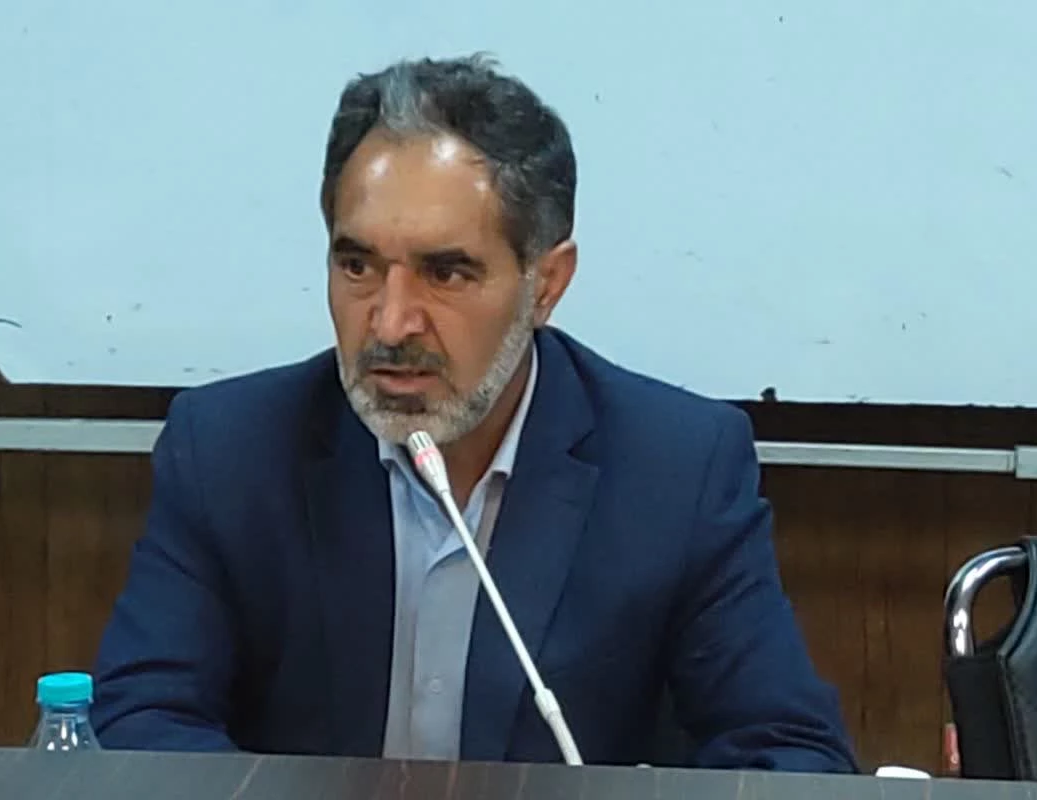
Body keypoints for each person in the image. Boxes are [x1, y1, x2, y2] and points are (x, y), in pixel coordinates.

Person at [91, 54, 857, 772]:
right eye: (357, 265)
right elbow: (142, 719)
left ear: (545, 285)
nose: (391, 322)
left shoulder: (675, 469)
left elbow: (788, 752)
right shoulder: (229, 451)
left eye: (445, 272)